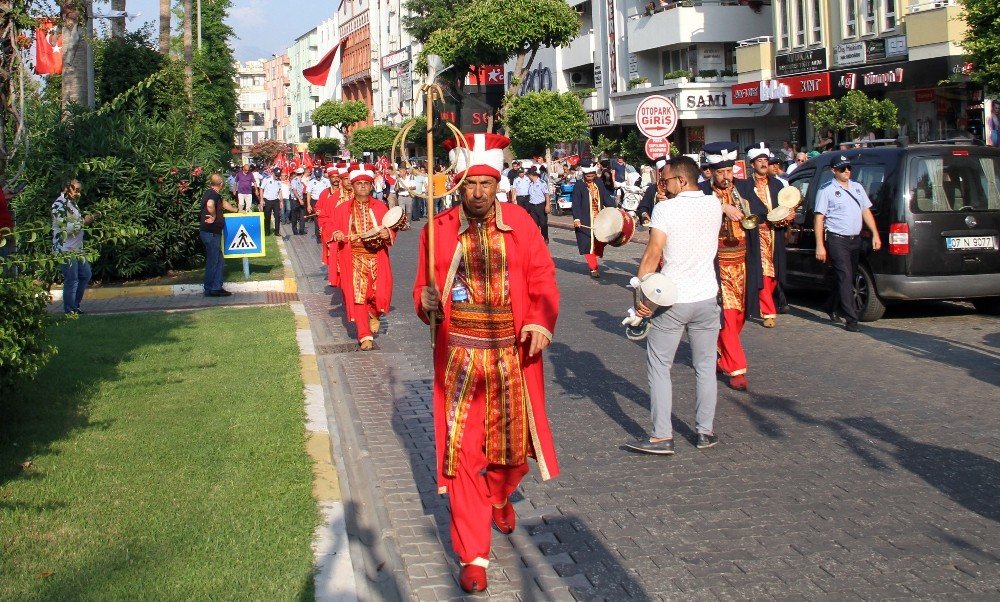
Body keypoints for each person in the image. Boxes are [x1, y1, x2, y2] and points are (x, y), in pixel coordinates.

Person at [414, 132, 559, 593]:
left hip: (510, 358)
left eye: (486, 184)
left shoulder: (521, 223)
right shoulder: (435, 231)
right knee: (461, 454)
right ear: (458, 185)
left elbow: (542, 276)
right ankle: (473, 553)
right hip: (459, 358)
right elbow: (423, 296)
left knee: (512, 454)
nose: (477, 193)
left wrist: (538, 319)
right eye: (469, 185)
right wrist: (427, 301)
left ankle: (500, 493)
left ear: (497, 183)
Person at [625, 156, 722, 455]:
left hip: (673, 300)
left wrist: (641, 295)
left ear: (681, 180)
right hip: (707, 297)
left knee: (659, 366)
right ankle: (705, 432)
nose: (662, 186)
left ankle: (661, 436)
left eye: (665, 180)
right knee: (705, 367)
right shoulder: (713, 204)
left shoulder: (665, 208)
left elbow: (653, 253)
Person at [700, 142, 755, 391]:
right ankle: (737, 368)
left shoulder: (743, 188)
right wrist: (720, 207)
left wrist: (748, 211)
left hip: (744, 260)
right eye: (720, 172)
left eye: (729, 171)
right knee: (728, 314)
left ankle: (719, 351)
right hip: (717, 263)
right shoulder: (701, 193)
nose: (725, 177)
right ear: (710, 171)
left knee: (741, 314)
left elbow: (762, 213)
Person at [814, 155, 882, 332]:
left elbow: (866, 211)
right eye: (842, 169)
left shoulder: (857, 187)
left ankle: (830, 305)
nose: (847, 172)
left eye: (849, 168)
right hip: (837, 239)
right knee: (845, 276)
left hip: (855, 239)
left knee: (848, 277)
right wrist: (820, 244)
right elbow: (819, 218)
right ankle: (851, 319)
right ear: (833, 171)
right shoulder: (826, 190)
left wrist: (875, 234)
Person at [329, 166, 394, 351]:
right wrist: (337, 233)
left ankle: (373, 314)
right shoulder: (342, 209)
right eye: (359, 184)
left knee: (380, 294)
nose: (363, 187)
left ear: (372, 186)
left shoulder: (381, 207)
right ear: (353, 186)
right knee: (358, 297)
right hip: (354, 259)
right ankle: (364, 335)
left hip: (377, 257)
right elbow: (332, 227)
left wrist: (387, 232)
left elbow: (392, 228)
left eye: (366, 183)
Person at [735, 143, 791, 328]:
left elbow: (787, 207)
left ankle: (764, 303)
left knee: (775, 272)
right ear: (752, 164)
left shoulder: (778, 184)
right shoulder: (743, 186)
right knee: (763, 272)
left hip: (775, 234)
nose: (764, 163)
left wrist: (788, 216)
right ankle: (768, 311)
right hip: (756, 235)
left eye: (765, 160)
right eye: (760, 160)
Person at [52, 179, 97, 314]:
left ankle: (74, 306)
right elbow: (65, 228)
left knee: (85, 275)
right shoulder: (59, 205)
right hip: (65, 250)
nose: (78, 194)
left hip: (77, 250)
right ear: (67, 188)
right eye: (76, 190)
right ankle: (70, 310)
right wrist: (84, 222)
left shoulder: (72, 204)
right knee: (72, 280)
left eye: (79, 191)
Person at [570, 160, 616, 278]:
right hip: (585, 219)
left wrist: (615, 209)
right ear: (584, 175)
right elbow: (575, 203)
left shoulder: (599, 183)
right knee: (587, 244)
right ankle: (593, 268)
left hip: (599, 218)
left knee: (600, 241)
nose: (590, 178)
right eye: (588, 176)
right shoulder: (579, 185)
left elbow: (605, 197)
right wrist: (577, 219)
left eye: (592, 175)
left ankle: (595, 257)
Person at [199, 174, 238, 298]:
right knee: (213, 260)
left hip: (209, 233)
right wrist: (214, 216)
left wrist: (236, 210)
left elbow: (224, 204)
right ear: (221, 184)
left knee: (218, 259)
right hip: (211, 233)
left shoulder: (211, 193)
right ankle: (211, 288)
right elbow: (210, 205)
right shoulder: (213, 195)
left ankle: (216, 287)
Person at [635, 157, 669, 226]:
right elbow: (642, 207)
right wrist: (645, 215)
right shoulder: (652, 189)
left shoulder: (678, 189)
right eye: (661, 171)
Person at [260, 168, 283, 236]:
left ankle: (277, 232)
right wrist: (261, 199)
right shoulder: (266, 179)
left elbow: (280, 191)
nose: (277, 176)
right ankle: (267, 232)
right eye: (276, 175)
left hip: (276, 200)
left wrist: (281, 201)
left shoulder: (279, 181)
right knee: (267, 217)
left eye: (278, 175)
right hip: (267, 200)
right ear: (273, 173)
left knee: (277, 216)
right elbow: (261, 189)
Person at [290, 167, 308, 235]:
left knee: (302, 215)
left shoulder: (301, 181)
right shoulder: (294, 180)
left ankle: (301, 230)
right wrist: (300, 199)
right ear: (302, 174)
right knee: (294, 215)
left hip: (301, 199)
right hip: (295, 200)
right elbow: (294, 191)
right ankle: (295, 231)